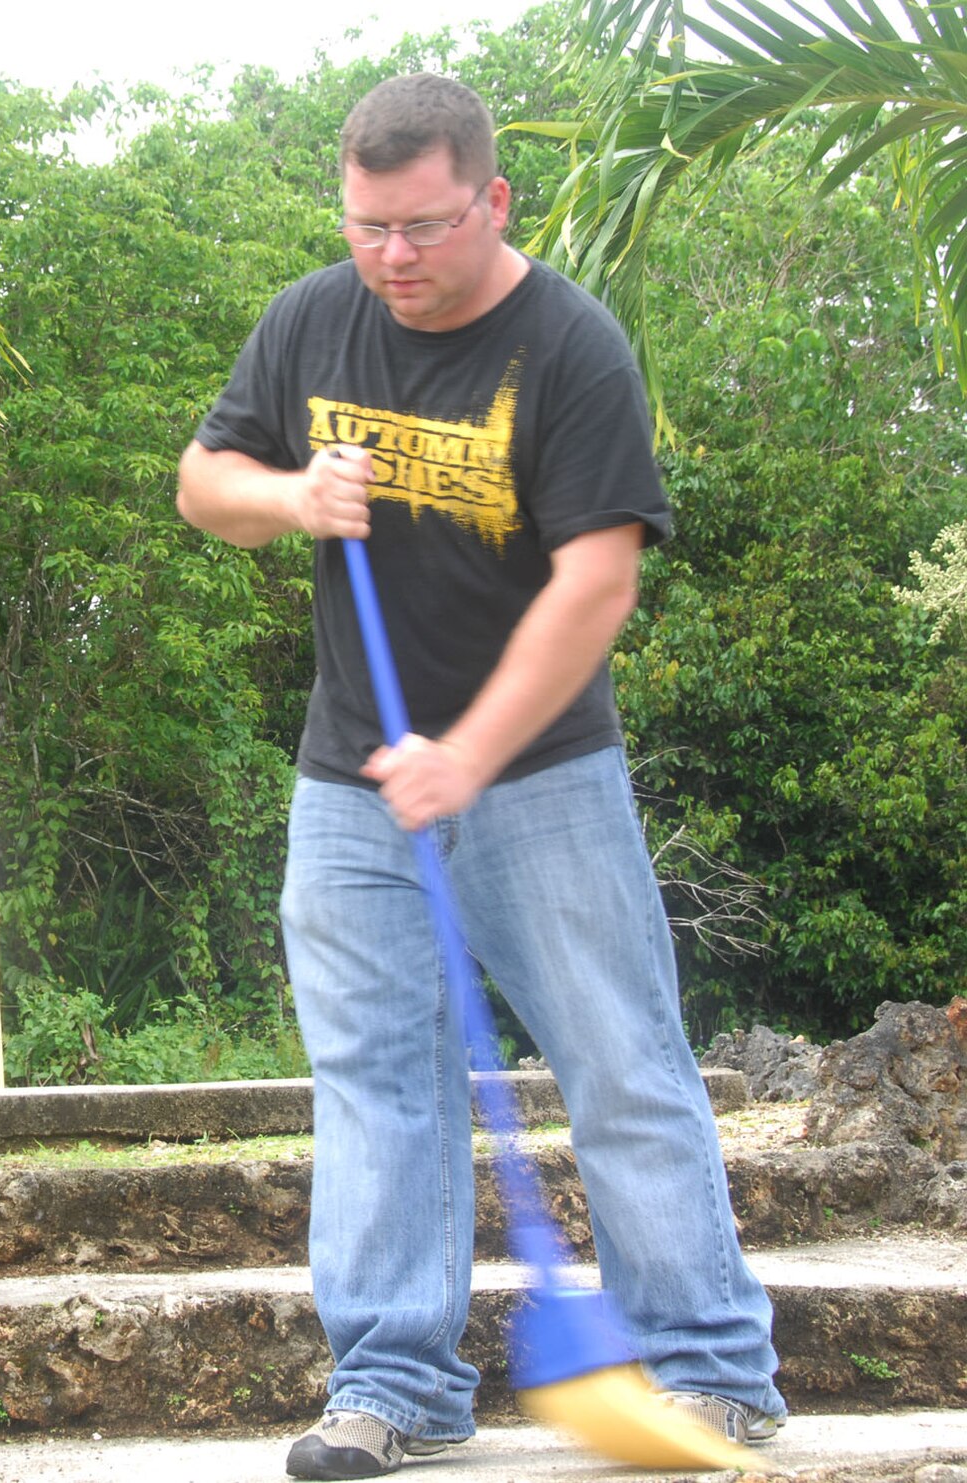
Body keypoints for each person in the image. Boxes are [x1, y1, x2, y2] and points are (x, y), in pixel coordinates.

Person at [176, 73, 786, 1481]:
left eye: (427, 227)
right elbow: (206, 479)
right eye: (367, 227)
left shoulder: (569, 348)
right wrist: (290, 497)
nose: (394, 257)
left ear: (493, 199)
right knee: (377, 1077)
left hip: (540, 775)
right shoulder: (311, 320)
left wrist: (472, 755)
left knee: (620, 1063)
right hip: (354, 778)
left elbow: (598, 581)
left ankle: (714, 1374)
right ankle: (392, 1383)